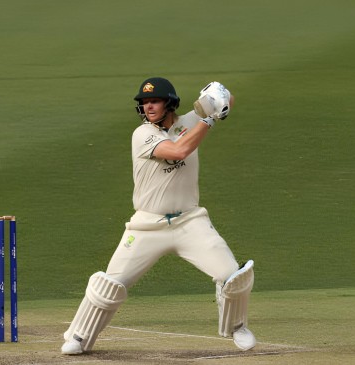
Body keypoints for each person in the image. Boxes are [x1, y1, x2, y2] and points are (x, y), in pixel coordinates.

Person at [61, 77, 256, 354]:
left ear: (169, 103)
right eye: (144, 102)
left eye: (154, 100)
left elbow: (228, 99)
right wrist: (210, 119)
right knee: (111, 285)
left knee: (233, 276)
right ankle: (79, 336)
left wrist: (218, 99)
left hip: (190, 221)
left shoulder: (190, 121)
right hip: (147, 226)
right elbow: (179, 150)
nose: (148, 106)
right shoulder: (142, 134)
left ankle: (238, 326)